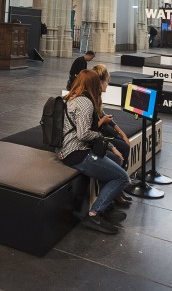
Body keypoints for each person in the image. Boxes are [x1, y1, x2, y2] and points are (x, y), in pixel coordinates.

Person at [57, 69, 131, 234]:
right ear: (93, 84)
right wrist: (104, 140)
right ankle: (94, 214)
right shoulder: (85, 103)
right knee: (122, 177)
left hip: (70, 150)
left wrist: (111, 147)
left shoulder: (71, 98)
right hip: (77, 153)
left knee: (115, 162)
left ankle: (106, 207)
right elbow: (84, 134)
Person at [91, 64, 133, 188]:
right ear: (100, 82)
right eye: (107, 82)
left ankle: (120, 184)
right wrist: (103, 120)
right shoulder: (90, 99)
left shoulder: (97, 97)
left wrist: (122, 133)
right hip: (95, 134)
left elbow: (102, 115)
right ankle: (119, 182)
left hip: (100, 130)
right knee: (123, 148)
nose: (107, 85)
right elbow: (90, 128)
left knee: (124, 144)